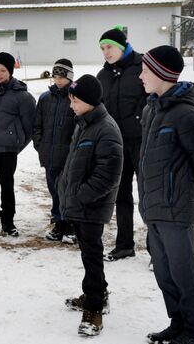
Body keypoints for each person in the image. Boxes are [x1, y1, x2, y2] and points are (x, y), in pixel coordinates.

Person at [138, 45, 194, 344]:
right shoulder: (151, 110)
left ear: (162, 74)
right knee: (165, 273)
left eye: (146, 71)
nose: (141, 76)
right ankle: (178, 324)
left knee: (184, 275)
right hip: (155, 209)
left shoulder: (186, 115)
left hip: (177, 211)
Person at [58, 74, 123, 336]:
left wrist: (82, 196)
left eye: (74, 100)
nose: (71, 104)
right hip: (80, 203)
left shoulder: (106, 129)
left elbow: (108, 174)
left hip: (92, 206)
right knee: (88, 254)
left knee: (93, 256)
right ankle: (98, 294)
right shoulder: (83, 124)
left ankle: (94, 309)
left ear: (89, 101)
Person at [97, 25, 148, 262]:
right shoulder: (103, 75)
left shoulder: (143, 67)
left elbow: (153, 98)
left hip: (143, 141)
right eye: (102, 48)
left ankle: (157, 250)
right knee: (121, 194)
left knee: (148, 195)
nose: (105, 52)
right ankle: (125, 244)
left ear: (122, 46)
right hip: (117, 142)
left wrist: (140, 120)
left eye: (109, 47)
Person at [0, 52, 36, 237]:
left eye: (3, 70)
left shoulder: (22, 96)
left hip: (8, 151)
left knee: (7, 185)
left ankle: (8, 222)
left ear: (10, 71)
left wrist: (16, 145)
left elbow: (30, 127)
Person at [33, 58, 77, 243]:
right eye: (55, 76)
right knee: (53, 189)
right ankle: (58, 221)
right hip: (49, 154)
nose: (58, 80)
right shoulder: (44, 98)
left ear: (69, 77)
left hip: (68, 155)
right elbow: (37, 125)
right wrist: (40, 144)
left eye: (62, 76)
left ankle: (71, 224)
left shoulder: (75, 97)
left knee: (67, 190)